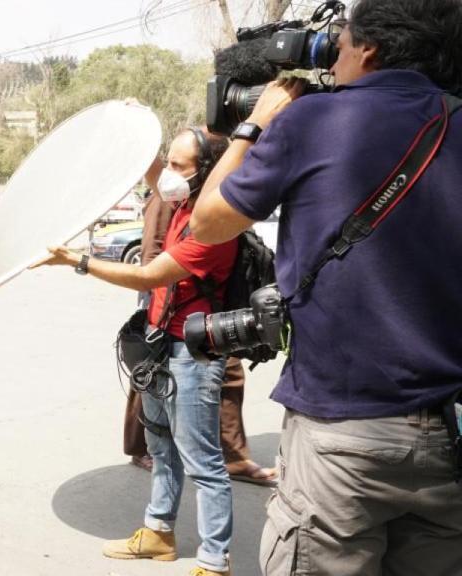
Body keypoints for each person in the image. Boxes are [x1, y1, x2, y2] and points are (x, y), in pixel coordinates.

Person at [191, 1, 462, 573]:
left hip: (341, 435)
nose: (332, 61)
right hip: (448, 438)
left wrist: (254, 122)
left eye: (338, 46)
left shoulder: (313, 120)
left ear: (369, 48)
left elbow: (208, 222)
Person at [38, 126, 237, 576]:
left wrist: (80, 262)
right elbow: (151, 171)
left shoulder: (215, 223)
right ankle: (158, 534)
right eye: (168, 161)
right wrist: (129, 127)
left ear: (204, 173)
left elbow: (150, 276)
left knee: (202, 460)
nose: (167, 173)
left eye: (178, 166)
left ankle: (214, 560)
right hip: (158, 344)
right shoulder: (183, 202)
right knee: (160, 444)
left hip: (193, 352)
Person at [126, 189, 276, 485]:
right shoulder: (170, 194)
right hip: (169, 301)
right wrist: (157, 295)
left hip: (212, 303)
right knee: (152, 378)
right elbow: (153, 252)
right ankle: (142, 447)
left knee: (230, 374)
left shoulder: (215, 193)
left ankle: (233, 456)